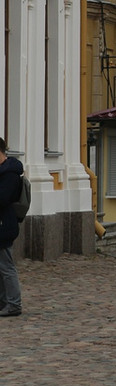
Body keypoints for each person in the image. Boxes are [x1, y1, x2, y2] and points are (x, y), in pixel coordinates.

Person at [0, 136, 25, 318]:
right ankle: (3, 301)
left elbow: (2, 199)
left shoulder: (9, 174)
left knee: (6, 267)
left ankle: (14, 304)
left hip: (4, 225)